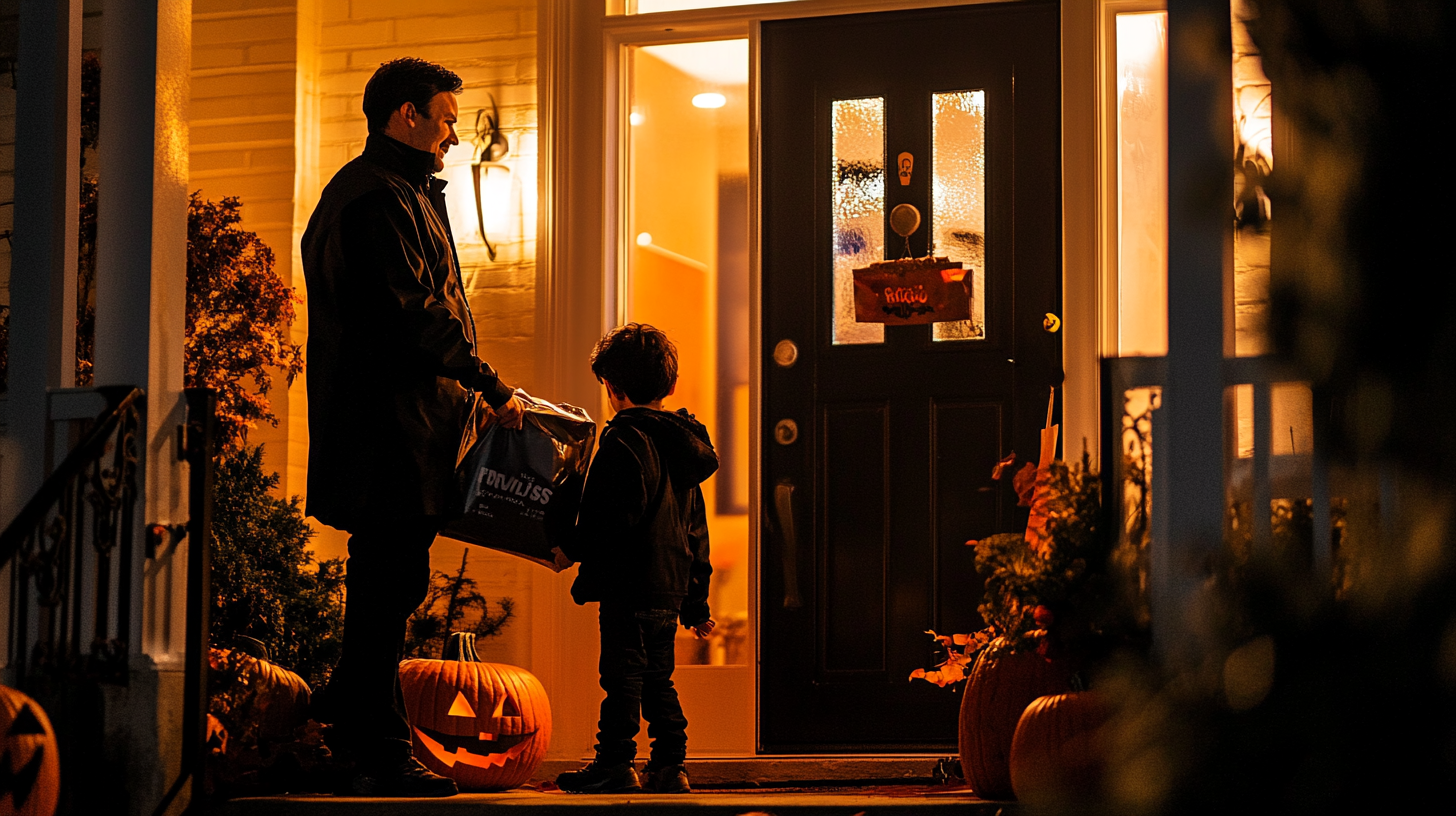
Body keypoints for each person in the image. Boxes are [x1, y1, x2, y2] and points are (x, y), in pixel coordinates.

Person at [300, 56, 525, 797]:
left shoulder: (390, 193)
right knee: (385, 587)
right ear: (408, 116)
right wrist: (489, 383)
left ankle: (353, 730)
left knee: (387, 587)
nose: (454, 136)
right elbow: (413, 313)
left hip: (397, 432)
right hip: (385, 434)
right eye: (447, 118)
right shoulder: (374, 201)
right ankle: (375, 750)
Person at [555, 323, 718, 794]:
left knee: (621, 678)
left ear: (611, 386)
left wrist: (574, 548)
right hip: (667, 587)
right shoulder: (681, 446)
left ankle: (615, 762)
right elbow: (695, 532)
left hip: (628, 584)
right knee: (657, 679)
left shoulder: (623, 440)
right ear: (669, 386)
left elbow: (612, 517)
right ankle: (670, 765)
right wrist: (696, 601)